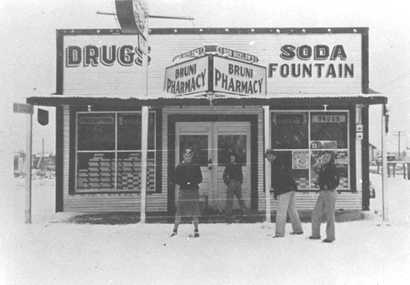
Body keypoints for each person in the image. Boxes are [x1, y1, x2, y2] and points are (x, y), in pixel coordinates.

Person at [265, 149, 303, 238]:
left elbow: (278, 180)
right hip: (291, 189)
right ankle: (298, 230)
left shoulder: (276, 165)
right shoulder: (282, 162)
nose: (267, 159)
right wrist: (293, 186)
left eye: (268, 157)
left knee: (281, 212)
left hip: (284, 190)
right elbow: (289, 175)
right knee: (292, 210)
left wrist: (276, 192)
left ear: (272, 155)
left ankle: (279, 233)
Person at [170, 147, 203, 237]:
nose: (187, 157)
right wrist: (183, 182)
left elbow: (200, 178)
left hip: (193, 190)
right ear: (183, 156)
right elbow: (174, 178)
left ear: (191, 156)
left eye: (189, 155)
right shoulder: (179, 167)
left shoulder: (196, 166)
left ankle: (196, 230)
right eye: (186, 155)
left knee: (195, 210)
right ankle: (175, 230)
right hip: (183, 191)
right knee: (179, 210)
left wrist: (192, 182)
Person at [309, 151, 340, 243]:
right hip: (322, 192)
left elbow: (336, 181)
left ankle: (330, 237)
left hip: (330, 192)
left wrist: (328, 186)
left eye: (328, 157)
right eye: (324, 156)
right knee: (316, 213)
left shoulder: (333, 168)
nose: (325, 158)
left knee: (329, 215)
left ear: (331, 158)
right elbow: (321, 177)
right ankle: (315, 234)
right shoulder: (323, 167)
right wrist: (318, 183)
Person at [223, 152, 247, 222]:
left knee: (240, 198)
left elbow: (241, 174)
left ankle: (245, 212)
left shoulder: (238, 165)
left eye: (233, 157)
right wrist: (228, 182)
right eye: (231, 157)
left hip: (238, 183)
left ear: (235, 158)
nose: (232, 158)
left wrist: (240, 181)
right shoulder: (228, 166)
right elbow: (224, 175)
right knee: (229, 199)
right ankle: (228, 214)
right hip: (231, 183)